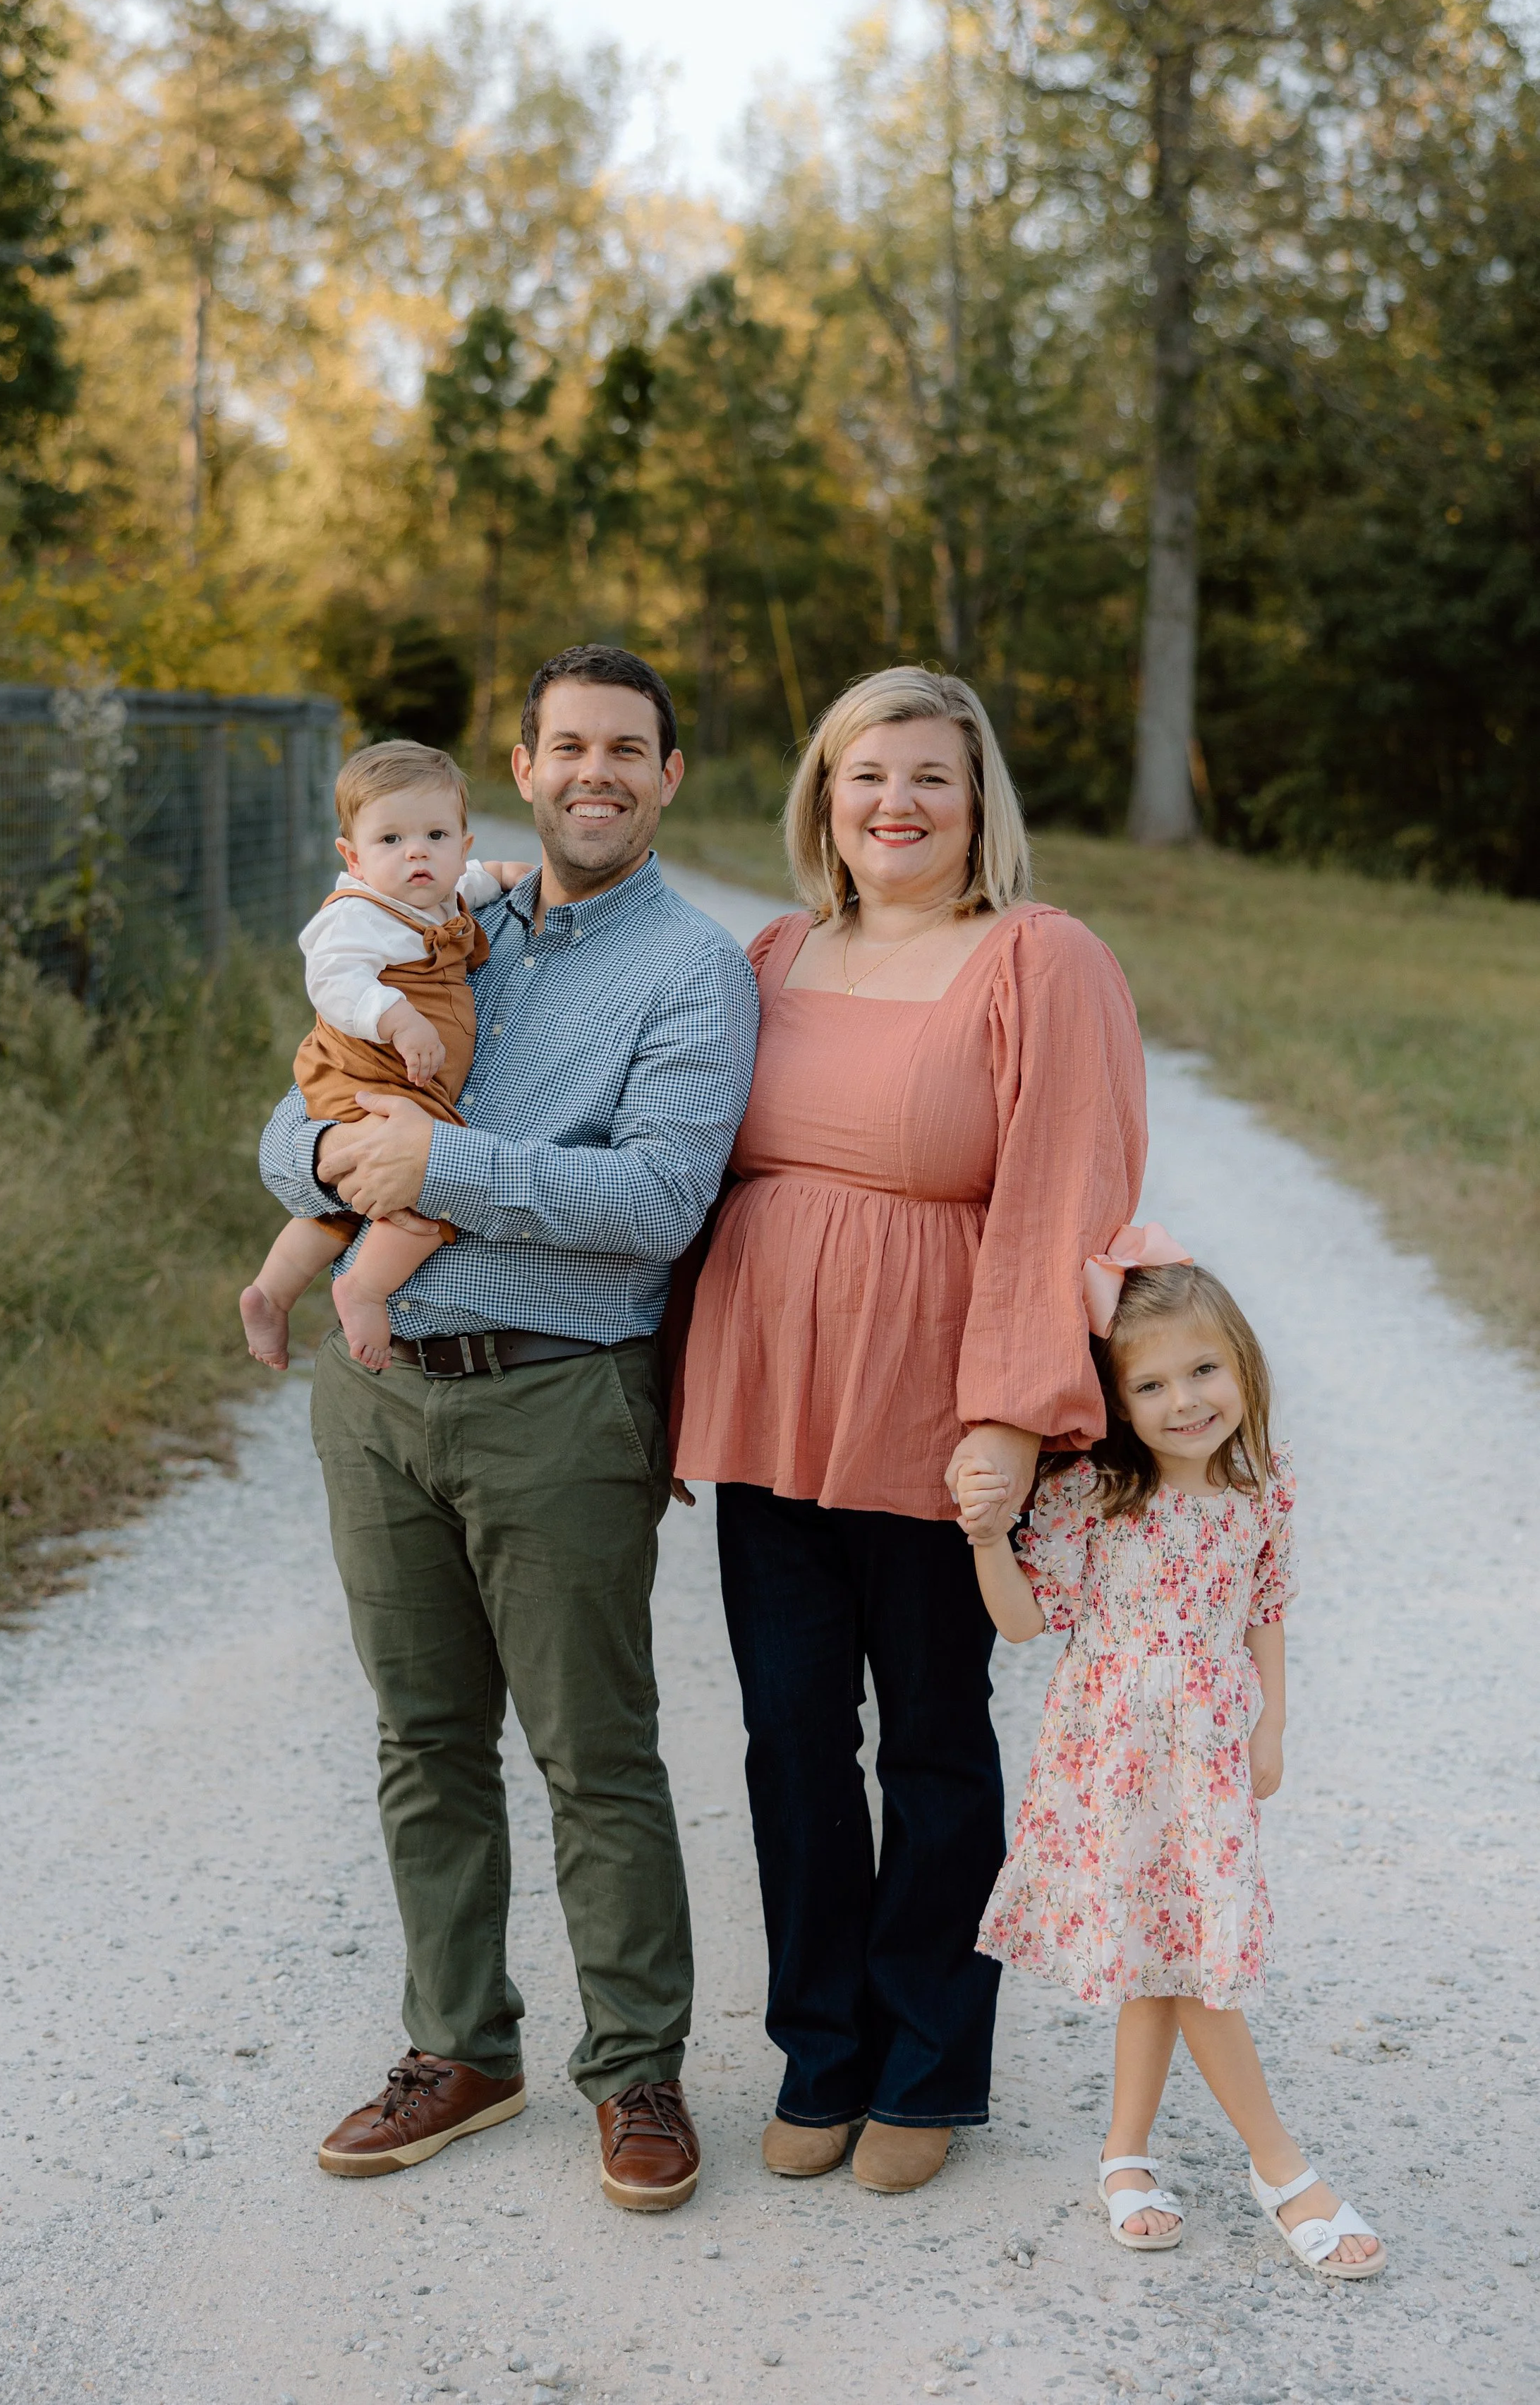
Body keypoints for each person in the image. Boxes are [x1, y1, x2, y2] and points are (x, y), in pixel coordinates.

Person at [257, 644, 759, 2211]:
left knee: (592, 1753)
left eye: (627, 748)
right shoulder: (432, 912)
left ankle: (638, 2074)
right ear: (523, 770)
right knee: (421, 1738)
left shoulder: (692, 970)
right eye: (565, 746)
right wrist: (347, 1164)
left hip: (560, 1399)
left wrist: (440, 1169)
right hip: (382, 1393)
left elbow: (662, 1201)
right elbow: (294, 1124)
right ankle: (459, 2050)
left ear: (667, 778)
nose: (593, 771)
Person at [670, 665, 1148, 2194]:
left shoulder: (1035, 958)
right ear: (823, 794)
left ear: (974, 802)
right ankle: (822, 2051)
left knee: (936, 1745)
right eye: (867, 774)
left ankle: (929, 2070)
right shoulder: (768, 954)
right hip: (770, 1405)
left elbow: (1063, 1186)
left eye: (930, 777)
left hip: (936, 1417)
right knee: (789, 1738)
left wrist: (1012, 1412)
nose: (896, 802)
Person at [963, 1249, 1387, 2280]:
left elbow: (1266, 1609)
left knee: (1180, 1951)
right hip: (1115, 1763)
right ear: (1117, 1402)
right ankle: (1281, 2167)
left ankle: (1125, 2152)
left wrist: (1271, 1726)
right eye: (1149, 1384)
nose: (1184, 1400)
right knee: (1189, 1959)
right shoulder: (1093, 1499)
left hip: (1207, 1762)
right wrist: (985, 1537)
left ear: (1242, 1364)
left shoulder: (1262, 1488)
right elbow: (1025, 1623)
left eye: (1203, 1371)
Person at [238, 739, 523, 1373]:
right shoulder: (359, 915)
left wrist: (508, 877)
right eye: (390, 840)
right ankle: (364, 1289)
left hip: (399, 1081)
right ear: (353, 858)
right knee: (428, 1184)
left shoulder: (439, 894)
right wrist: (398, 1019)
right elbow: (334, 981)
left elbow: (473, 884)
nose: (416, 852)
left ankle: (272, 1292)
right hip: (370, 1073)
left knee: (344, 1202)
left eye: (436, 835)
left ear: (463, 845)